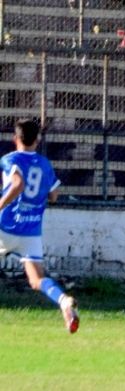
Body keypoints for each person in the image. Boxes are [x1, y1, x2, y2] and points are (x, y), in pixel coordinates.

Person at [0, 119, 78, 333]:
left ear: (15, 139)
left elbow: (17, 184)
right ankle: (63, 301)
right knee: (37, 279)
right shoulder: (44, 164)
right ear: (38, 139)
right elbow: (54, 195)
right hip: (31, 231)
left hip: (6, 226)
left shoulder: (9, 159)